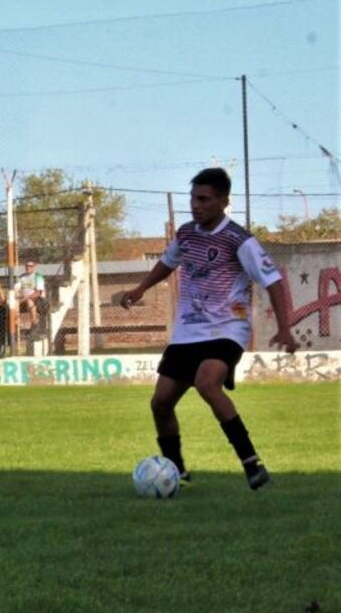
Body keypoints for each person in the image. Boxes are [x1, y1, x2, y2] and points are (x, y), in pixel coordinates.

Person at [120, 167, 298, 490]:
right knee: (160, 402)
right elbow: (167, 263)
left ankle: (252, 464)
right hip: (188, 331)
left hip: (228, 328)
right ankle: (176, 471)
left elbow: (272, 280)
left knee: (206, 383)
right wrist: (140, 289)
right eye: (193, 198)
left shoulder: (238, 239)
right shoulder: (186, 233)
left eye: (203, 199)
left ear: (223, 201)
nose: (195, 205)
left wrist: (285, 328)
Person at [18, 261, 46, 330]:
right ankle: (18, 322)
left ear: (34, 267)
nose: (28, 267)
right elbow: (17, 289)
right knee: (13, 302)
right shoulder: (21, 276)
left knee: (30, 301)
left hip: (38, 299)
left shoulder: (38, 276)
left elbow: (38, 293)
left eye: (30, 266)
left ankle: (34, 323)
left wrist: (24, 298)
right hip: (24, 298)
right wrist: (18, 297)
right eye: (27, 266)